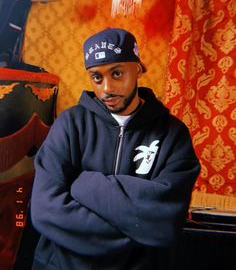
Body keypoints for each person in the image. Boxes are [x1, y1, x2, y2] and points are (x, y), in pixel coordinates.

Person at [30, 27, 200, 270]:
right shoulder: (69, 124)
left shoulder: (173, 134)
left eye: (117, 73)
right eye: (97, 77)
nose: (106, 88)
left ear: (138, 69)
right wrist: (135, 231)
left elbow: (165, 221)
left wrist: (83, 183)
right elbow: (45, 209)